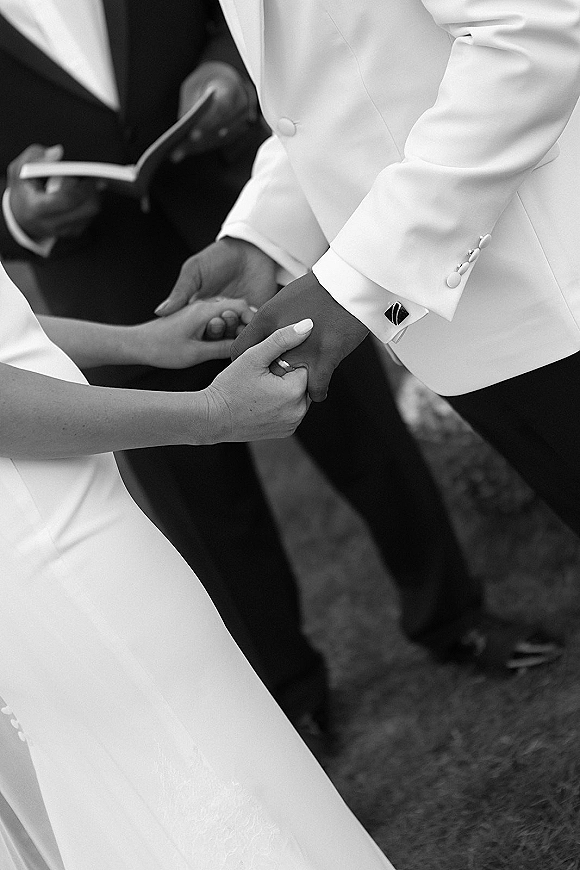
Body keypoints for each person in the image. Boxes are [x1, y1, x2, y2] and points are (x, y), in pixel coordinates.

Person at [0, 0, 530, 744]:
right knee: (196, 491)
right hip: (99, 265)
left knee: (357, 420)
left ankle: (453, 612)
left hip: (233, 194)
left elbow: (239, 11)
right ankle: (291, 690)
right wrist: (15, 213)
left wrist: (225, 64)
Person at [158, 0, 570, 671]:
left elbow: (529, 36)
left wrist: (360, 279)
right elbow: (336, 92)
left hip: (552, 277)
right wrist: (264, 235)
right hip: (460, 313)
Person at [0, 260, 396, 870]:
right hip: (45, 538)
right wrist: (206, 416)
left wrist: (140, 344)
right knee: (198, 763)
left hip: (47, 517)